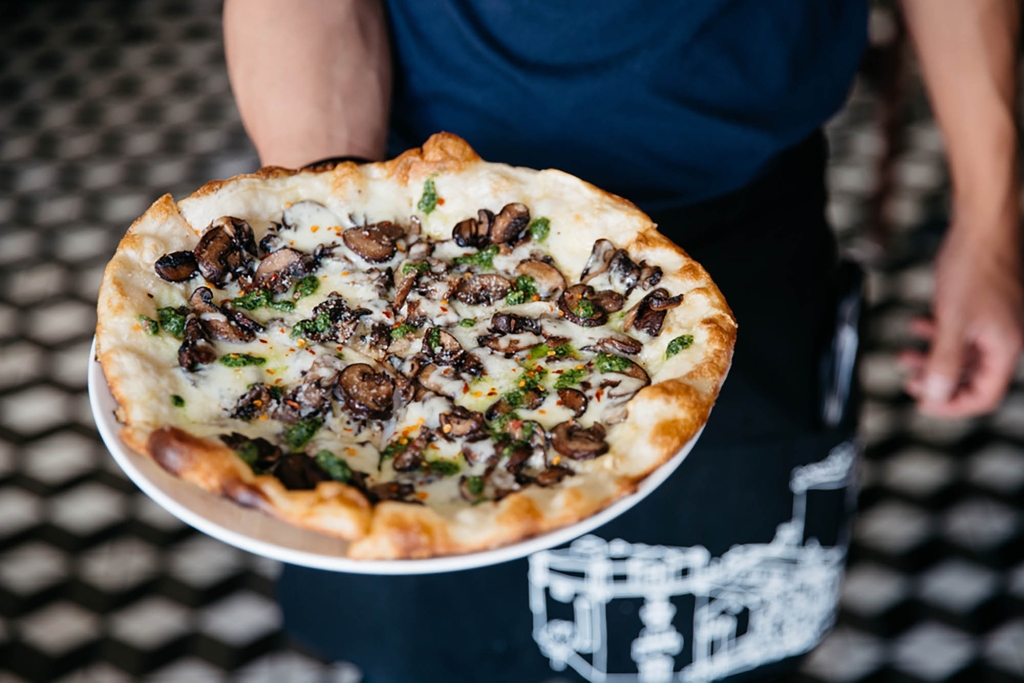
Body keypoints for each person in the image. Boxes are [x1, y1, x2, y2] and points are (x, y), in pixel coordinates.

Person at [222, 2, 1023, 681]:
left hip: (737, 239)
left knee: (719, 646)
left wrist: (992, 219)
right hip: (410, 233)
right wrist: (329, 250)